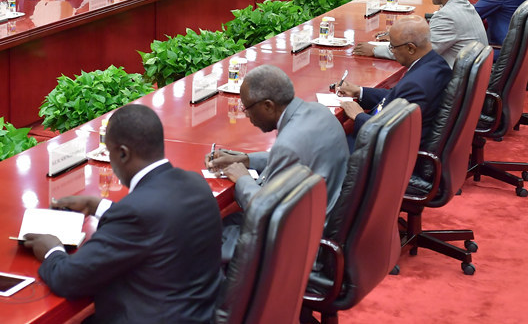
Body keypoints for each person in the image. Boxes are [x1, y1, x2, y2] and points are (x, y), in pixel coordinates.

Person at [23, 104, 222, 324]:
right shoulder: (195, 182)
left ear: (123, 153)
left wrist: (52, 250)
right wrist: (99, 207)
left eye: (109, 153)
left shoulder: (136, 213)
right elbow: (160, 219)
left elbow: (69, 280)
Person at [206, 65, 349, 260]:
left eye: (247, 108)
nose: (246, 115)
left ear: (268, 106)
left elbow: (264, 211)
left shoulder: (289, 143)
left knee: (206, 237)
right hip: (327, 221)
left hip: (299, 243)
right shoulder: (319, 112)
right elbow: (298, 157)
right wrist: (246, 159)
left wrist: (242, 179)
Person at [337, 16, 451, 144]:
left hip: (379, 149)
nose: (392, 51)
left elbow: (391, 133)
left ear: (411, 48)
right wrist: (360, 91)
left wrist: (358, 115)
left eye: (393, 46)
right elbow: (397, 97)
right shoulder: (436, 63)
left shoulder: (417, 83)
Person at [353, 0, 487, 67]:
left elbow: (420, 53)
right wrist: (400, 39)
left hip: (449, 87)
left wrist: (375, 50)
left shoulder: (448, 16)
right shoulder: (464, 5)